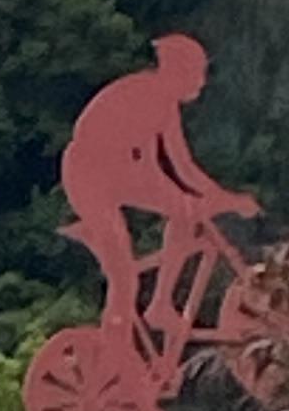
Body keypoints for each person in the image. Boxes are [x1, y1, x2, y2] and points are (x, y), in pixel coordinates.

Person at [56, 37, 253, 327]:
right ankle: (116, 339)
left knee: (185, 215)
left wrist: (220, 198)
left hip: (119, 171)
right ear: (176, 70)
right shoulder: (143, 94)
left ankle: (160, 304)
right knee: (124, 282)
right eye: (196, 73)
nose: (201, 82)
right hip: (91, 175)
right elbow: (151, 169)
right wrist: (216, 200)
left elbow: (183, 166)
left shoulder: (164, 104)